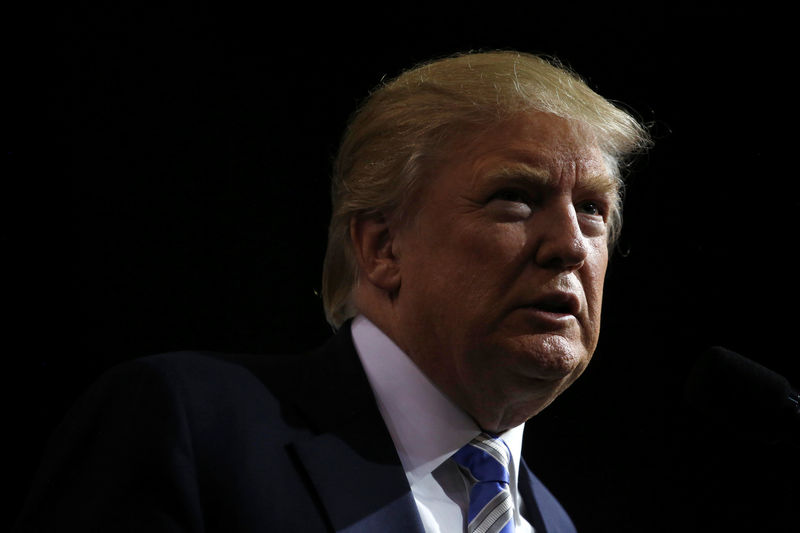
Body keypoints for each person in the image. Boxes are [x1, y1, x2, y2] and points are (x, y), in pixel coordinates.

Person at [16, 51, 649, 532]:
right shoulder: (189, 425)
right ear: (382, 247)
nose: (569, 245)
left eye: (593, 209)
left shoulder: (554, 522)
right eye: (514, 197)